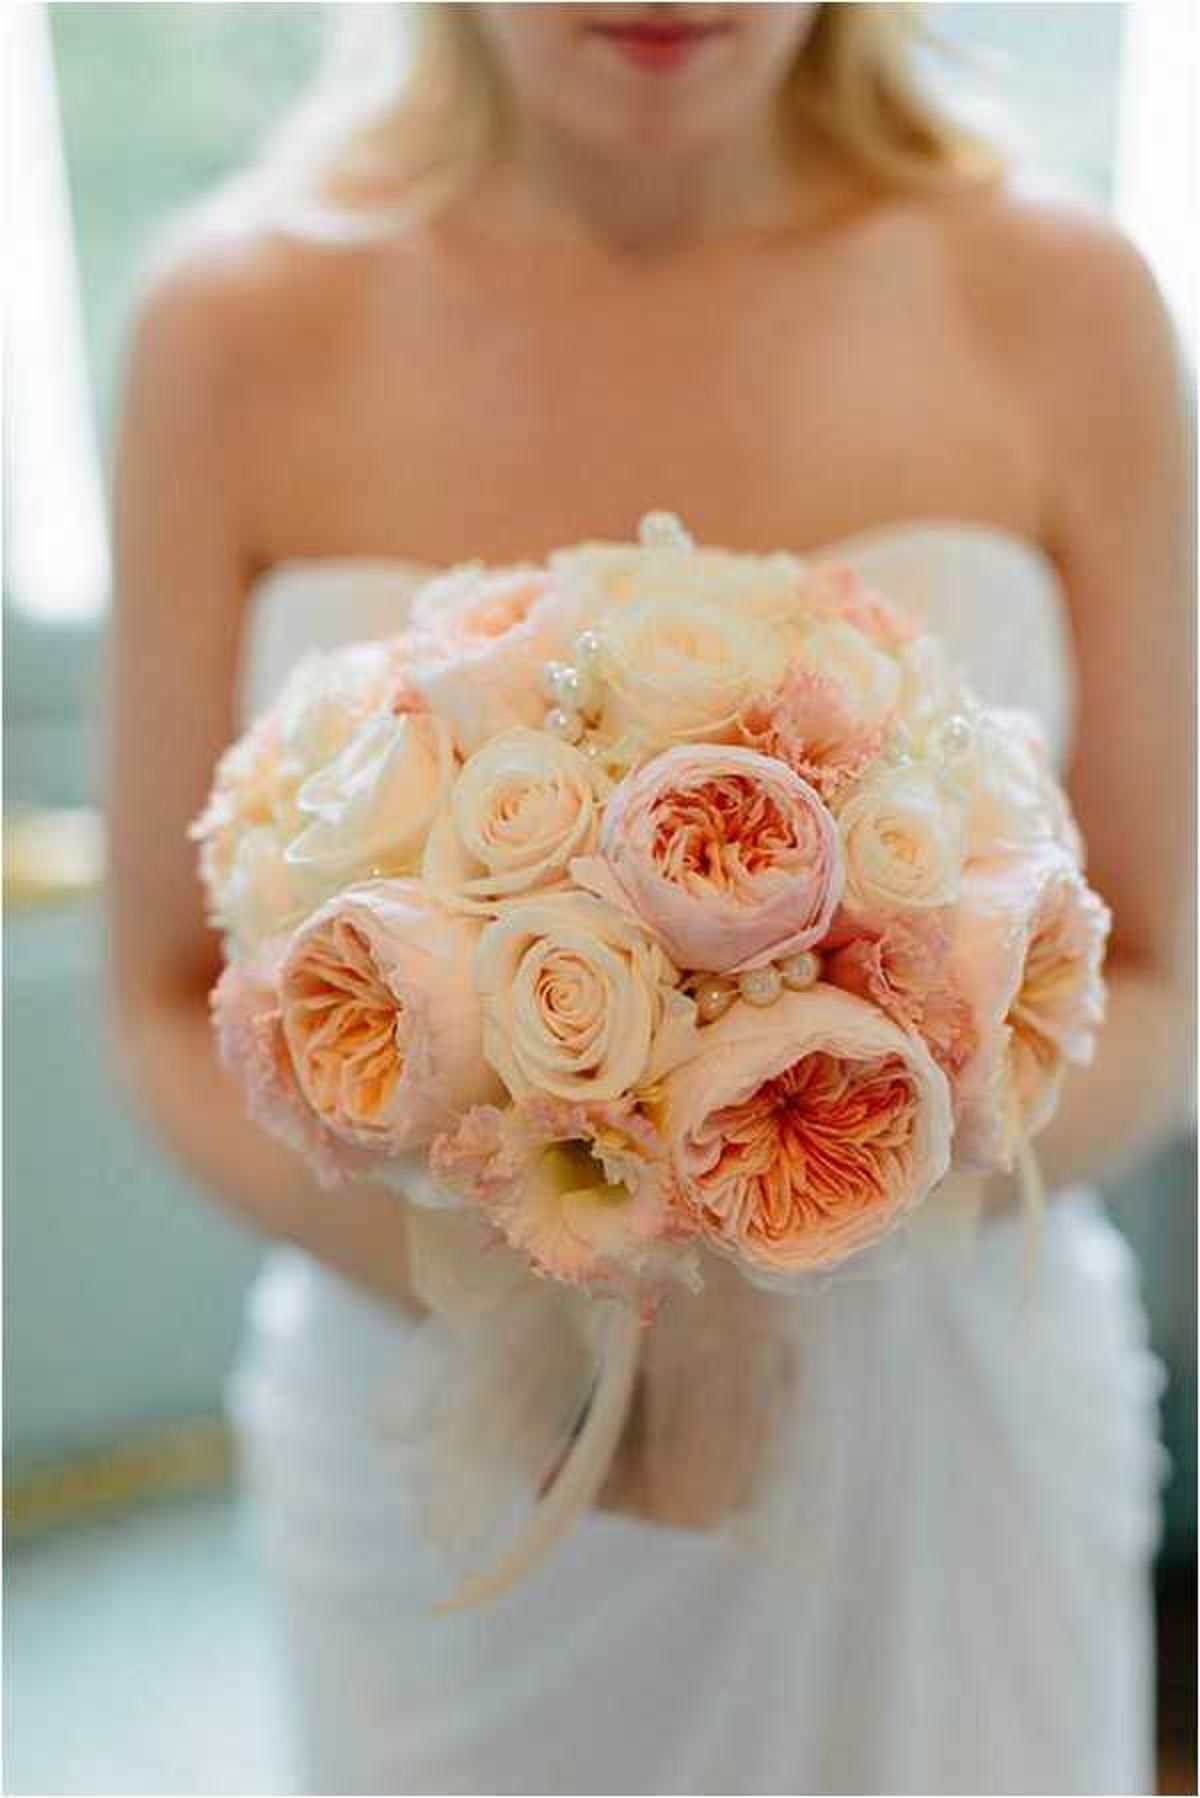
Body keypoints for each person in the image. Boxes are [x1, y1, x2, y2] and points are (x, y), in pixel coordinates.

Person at [108, 5, 1192, 1792]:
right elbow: (159, 994)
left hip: (935, 1446)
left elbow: (1159, 970)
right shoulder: (230, 329)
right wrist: (522, 1279)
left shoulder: (1062, 299)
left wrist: (817, 1218)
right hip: (449, 1452)